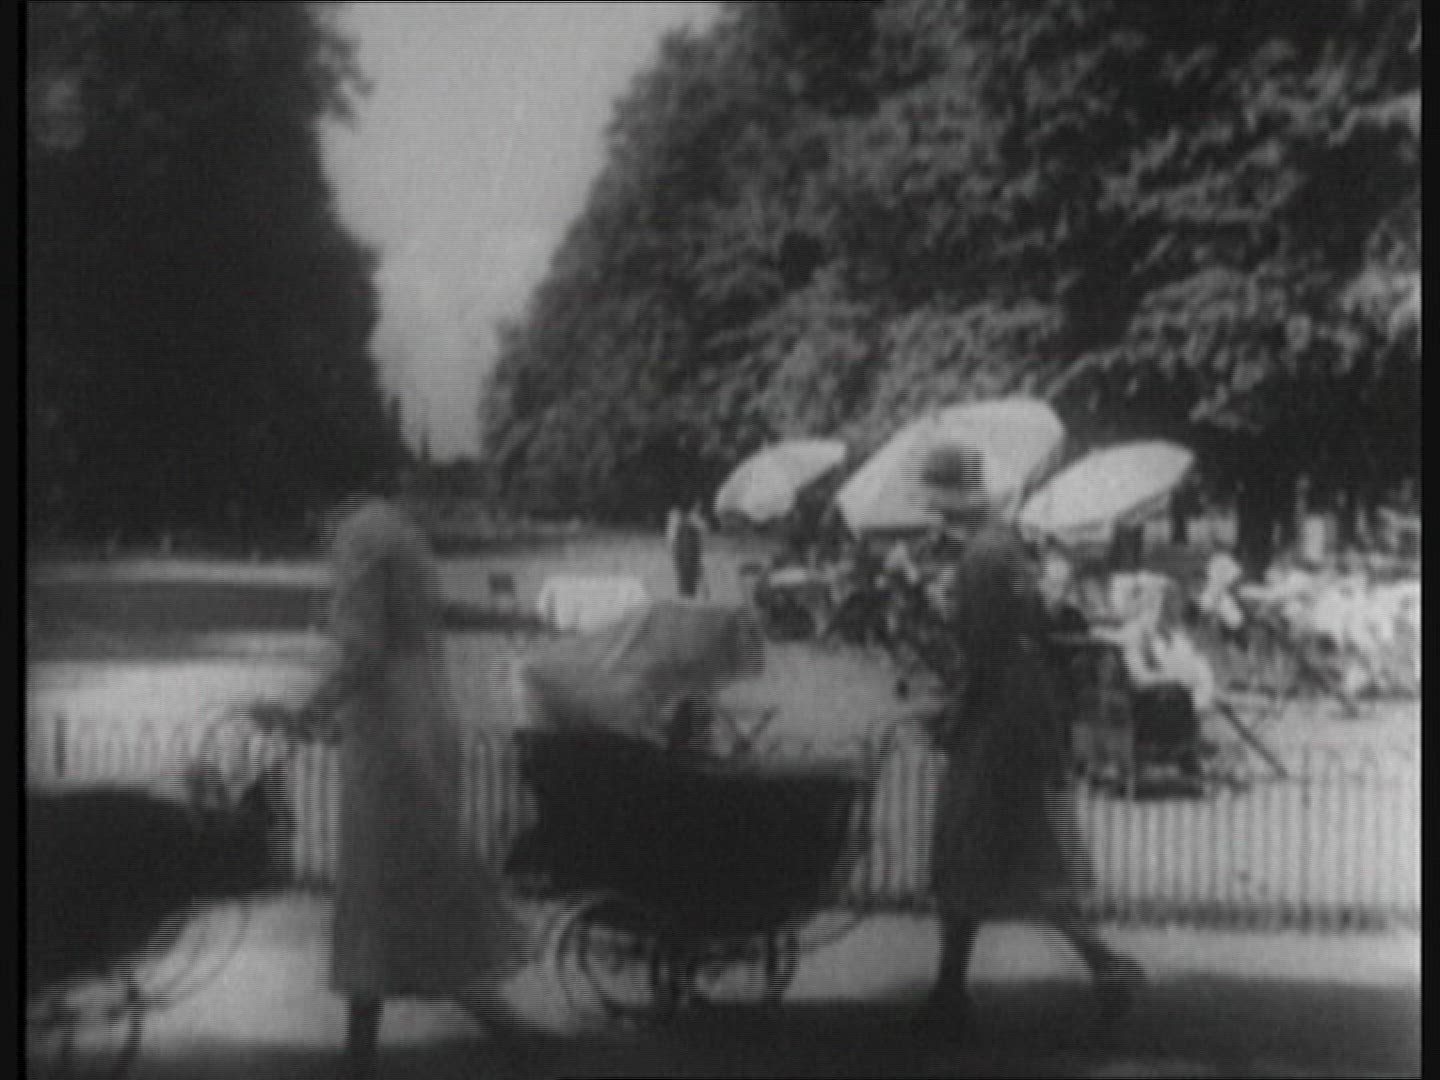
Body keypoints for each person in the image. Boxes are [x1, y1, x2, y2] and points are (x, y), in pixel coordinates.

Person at [308, 481, 535, 1077]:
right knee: (412, 877)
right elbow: (424, 620)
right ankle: (372, 1041)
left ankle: (486, 1031)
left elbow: (362, 653)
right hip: (423, 717)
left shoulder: (359, 537)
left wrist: (306, 709)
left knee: (384, 882)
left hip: (387, 733)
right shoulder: (401, 533)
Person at [918, 506, 1142, 1043]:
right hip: (1014, 719)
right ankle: (953, 988)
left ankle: (956, 989)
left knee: (977, 851)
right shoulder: (1004, 553)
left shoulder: (985, 558)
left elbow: (983, 649)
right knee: (1009, 858)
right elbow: (1020, 630)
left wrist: (951, 716)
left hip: (997, 731)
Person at [1114, 580, 1218, 777]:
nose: (1160, 612)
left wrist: (1189, 676)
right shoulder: (1133, 634)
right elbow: (1138, 677)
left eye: (1164, 606)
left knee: (1189, 689)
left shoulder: (1170, 635)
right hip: (1144, 701)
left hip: (1175, 698)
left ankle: (1188, 754)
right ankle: (1187, 753)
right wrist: (1173, 678)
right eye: (1154, 606)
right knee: (1179, 697)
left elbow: (1191, 667)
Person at [667, 503, 707, 599]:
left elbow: (703, 533)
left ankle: (689, 595)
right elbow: (703, 533)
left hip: (688, 548)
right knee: (686, 573)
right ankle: (688, 595)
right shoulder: (677, 516)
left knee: (689, 573)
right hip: (685, 548)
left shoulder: (691, 517)